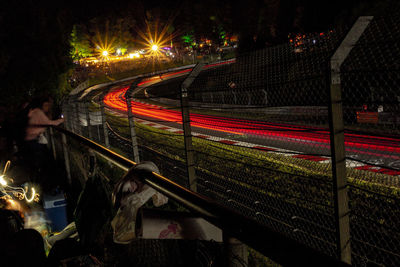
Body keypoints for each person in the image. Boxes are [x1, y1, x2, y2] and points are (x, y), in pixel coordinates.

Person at [24, 97, 64, 188]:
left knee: (41, 162)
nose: (48, 107)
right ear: (42, 105)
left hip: (31, 140)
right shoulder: (38, 112)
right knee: (44, 163)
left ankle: (39, 183)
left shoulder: (35, 112)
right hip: (34, 141)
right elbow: (49, 123)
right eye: (46, 105)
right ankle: (44, 185)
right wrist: (62, 120)